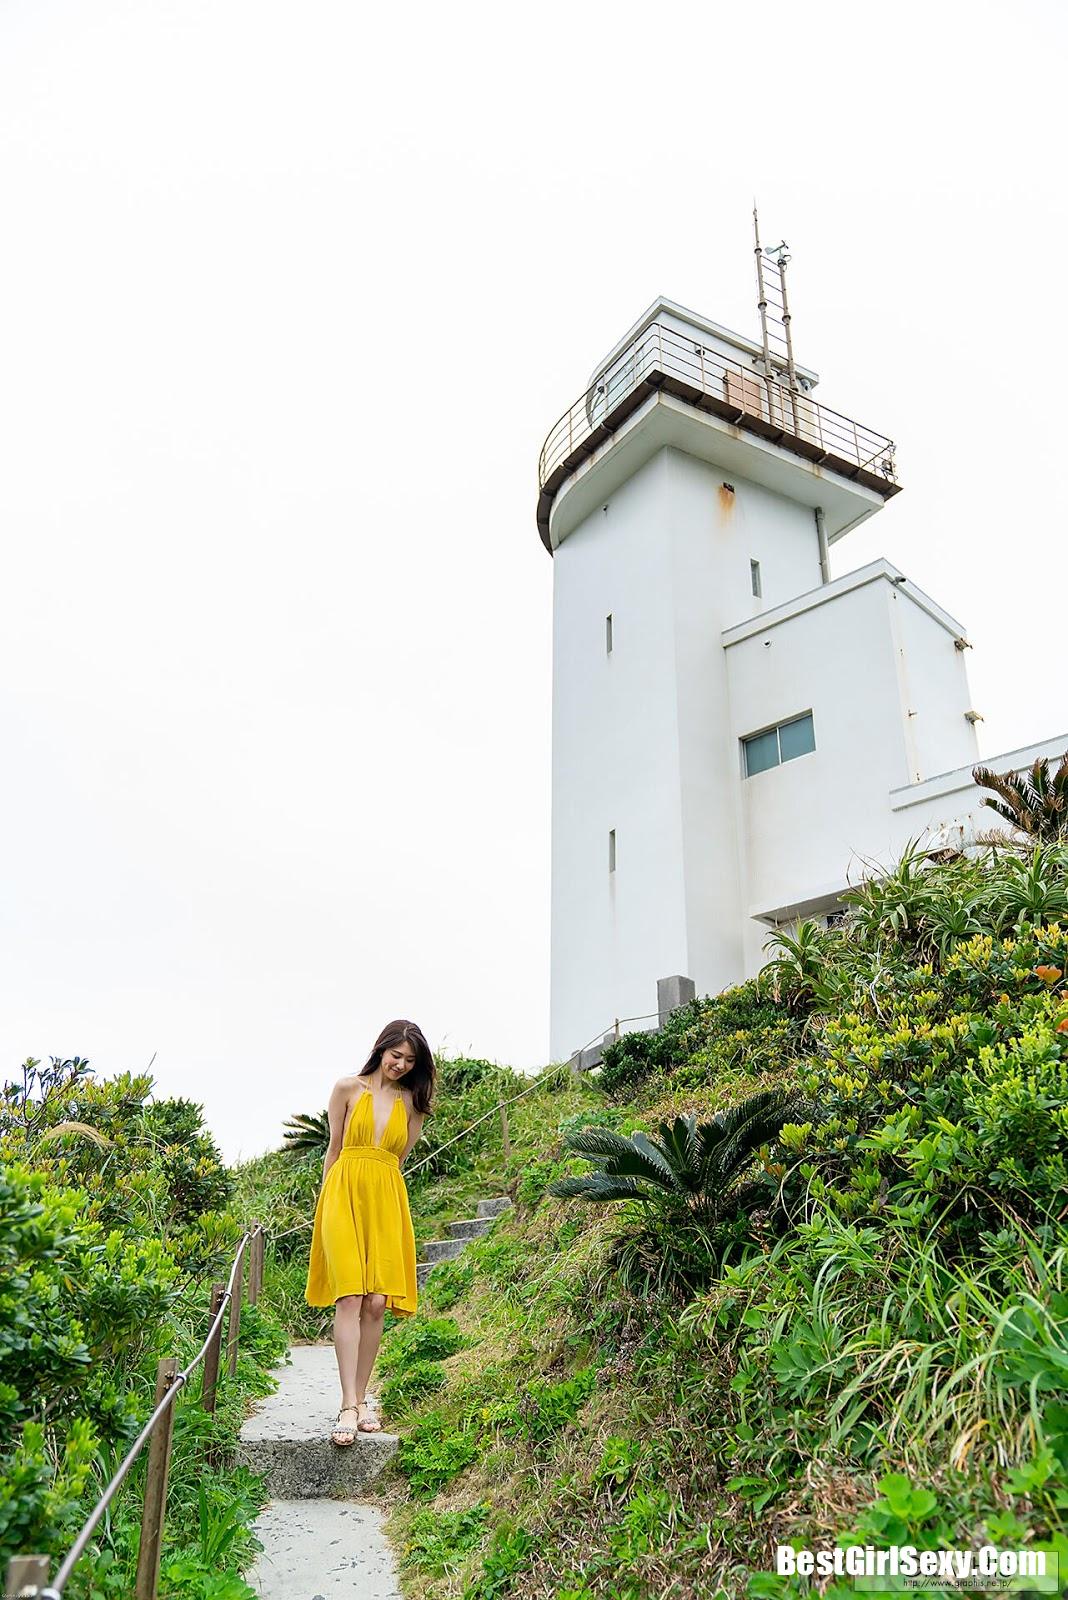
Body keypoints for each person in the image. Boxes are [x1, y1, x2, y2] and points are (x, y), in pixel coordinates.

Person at [304, 1019, 432, 1445]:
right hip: (342, 1194)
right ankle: (347, 1404)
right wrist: (324, 1204)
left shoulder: (411, 1103)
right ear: (381, 1049)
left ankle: (361, 1400)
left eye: (410, 1060)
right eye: (396, 1055)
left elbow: (398, 1159)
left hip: (386, 1197)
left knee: (377, 1302)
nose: (401, 1065)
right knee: (350, 1296)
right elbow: (334, 1149)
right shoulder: (347, 1088)